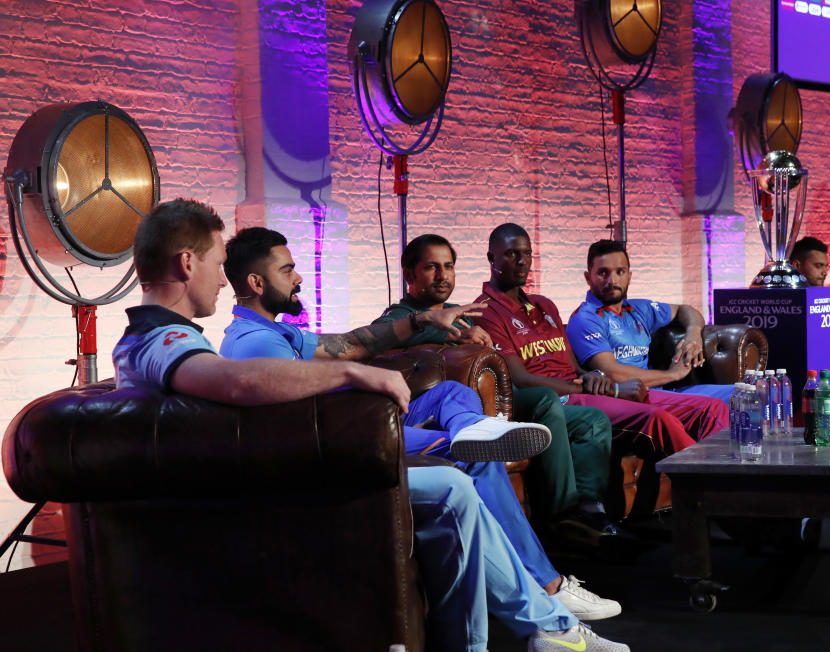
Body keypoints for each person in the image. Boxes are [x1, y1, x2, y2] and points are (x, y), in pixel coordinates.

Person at [114, 200, 628, 652]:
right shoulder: (162, 343)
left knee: (454, 466)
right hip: (288, 478)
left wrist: (418, 324)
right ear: (187, 263)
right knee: (455, 479)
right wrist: (348, 373)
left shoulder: (170, 338)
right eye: (216, 262)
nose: (220, 276)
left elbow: (349, 343)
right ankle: (549, 618)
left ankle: (537, 627)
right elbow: (238, 384)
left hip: (303, 457)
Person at [374, 234, 627, 549]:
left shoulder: (463, 311)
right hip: (453, 414)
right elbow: (378, 345)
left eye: (448, 266)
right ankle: (562, 518)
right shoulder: (398, 319)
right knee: (545, 399)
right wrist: (447, 332)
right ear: (409, 274)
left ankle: (589, 511)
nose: (442, 275)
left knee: (592, 420)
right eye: (431, 268)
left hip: (495, 402)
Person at [472, 224, 727, 509]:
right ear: (491, 258)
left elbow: (573, 366)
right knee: (659, 420)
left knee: (710, 407)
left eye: (526, 253)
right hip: (558, 400)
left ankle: (735, 481)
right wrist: (602, 386)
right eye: (510, 254)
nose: (521, 261)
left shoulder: (544, 305)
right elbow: (519, 379)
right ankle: (716, 499)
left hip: (586, 389)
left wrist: (594, 378)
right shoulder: (485, 312)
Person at [566, 239, 733, 403]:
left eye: (620, 272)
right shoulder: (585, 318)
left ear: (629, 276)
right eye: (603, 272)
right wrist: (672, 374)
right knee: (714, 406)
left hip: (662, 393)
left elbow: (686, 310)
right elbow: (612, 373)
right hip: (630, 399)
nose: (612, 281)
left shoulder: (638, 309)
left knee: (740, 394)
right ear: (588, 278)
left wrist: (693, 334)